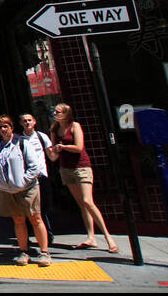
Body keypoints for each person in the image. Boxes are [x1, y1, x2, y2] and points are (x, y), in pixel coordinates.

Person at [49, 103, 119, 254]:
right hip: (66, 168)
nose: (55, 113)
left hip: (81, 167)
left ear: (66, 114)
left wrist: (63, 147)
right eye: (55, 111)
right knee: (81, 203)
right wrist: (51, 152)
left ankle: (108, 238)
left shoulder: (75, 126)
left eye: (58, 111)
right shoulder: (54, 129)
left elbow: (79, 147)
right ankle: (91, 237)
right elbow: (54, 155)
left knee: (88, 201)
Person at [0, 115, 51, 266]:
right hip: (7, 190)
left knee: (35, 218)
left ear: (12, 127)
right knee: (18, 219)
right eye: (0, 127)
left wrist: (23, 182)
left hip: (27, 189)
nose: (3, 129)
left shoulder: (22, 143)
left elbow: (35, 167)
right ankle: (23, 251)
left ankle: (44, 252)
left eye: (6, 126)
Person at [19, 112, 56, 246]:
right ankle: (27, 237)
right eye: (24, 121)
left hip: (41, 176)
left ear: (34, 122)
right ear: (21, 124)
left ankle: (48, 236)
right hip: (28, 179)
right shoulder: (19, 140)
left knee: (43, 208)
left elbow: (52, 156)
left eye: (29, 120)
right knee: (28, 209)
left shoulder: (42, 137)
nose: (27, 123)